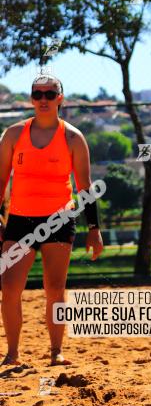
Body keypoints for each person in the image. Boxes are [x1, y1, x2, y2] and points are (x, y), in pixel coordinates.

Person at [0, 74, 104, 366]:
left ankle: (56, 352)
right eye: (38, 94)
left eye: (50, 93)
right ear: (31, 99)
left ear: (61, 98)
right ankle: (12, 354)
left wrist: (94, 230)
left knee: (55, 289)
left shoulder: (73, 138)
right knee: (9, 289)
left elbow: (85, 187)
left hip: (59, 219)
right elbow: (0, 181)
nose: (43, 99)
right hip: (19, 220)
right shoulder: (12, 135)